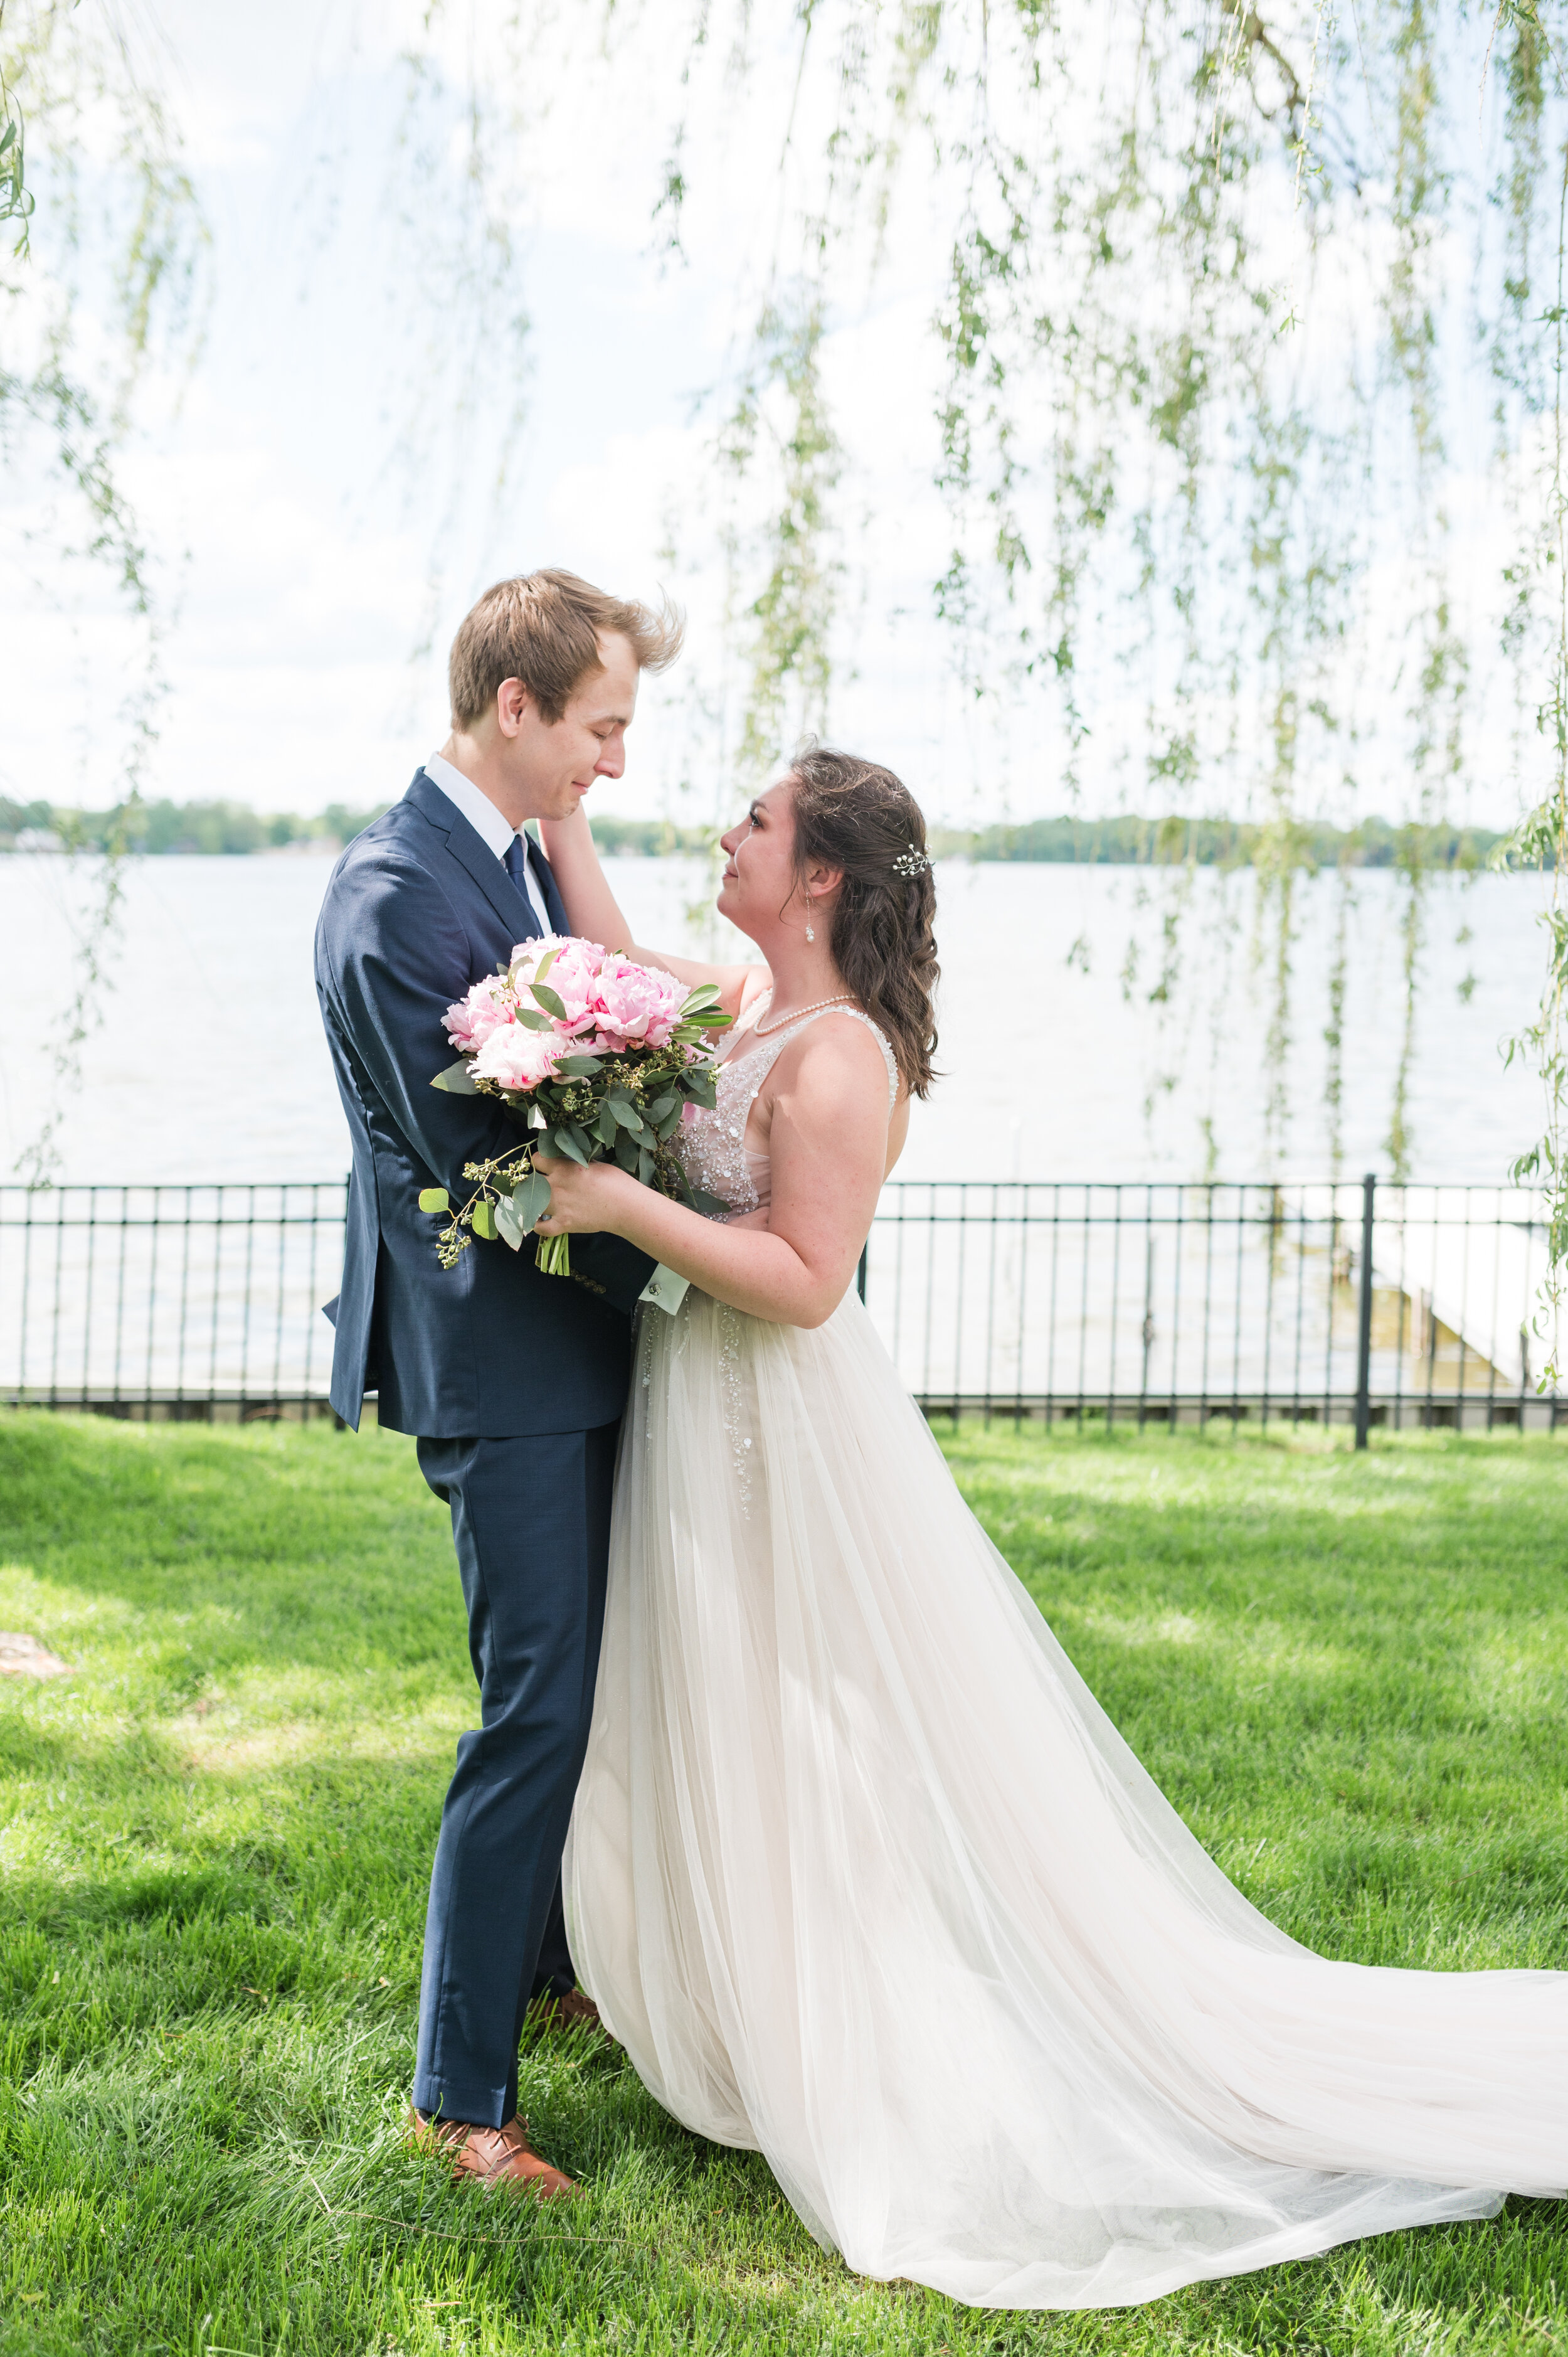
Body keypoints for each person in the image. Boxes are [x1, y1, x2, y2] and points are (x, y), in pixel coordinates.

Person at [529, 741, 1568, 2310]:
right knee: (732, 1710)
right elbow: (609, 960)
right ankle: (754, 2005)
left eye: (754, 821)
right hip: (701, 1418)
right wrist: (559, 820)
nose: (725, 835)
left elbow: (808, 1283)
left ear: (816, 875)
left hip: (783, 1428)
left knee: (824, 1732)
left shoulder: (840, 1058)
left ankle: (852, 2029)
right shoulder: (745, 1012)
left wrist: (619, 1209)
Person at [313, 570, 674, 2196]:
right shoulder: (400, 896)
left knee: (574, 1689)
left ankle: (541, 1970)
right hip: (503, 1366)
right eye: (600, 724)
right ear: (513, 706)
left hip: (568, 1353)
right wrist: (705, 1255)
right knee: (529, 1710)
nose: (612, 757)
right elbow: (491, 1173)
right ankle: (461, 2099)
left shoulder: (504, 871)